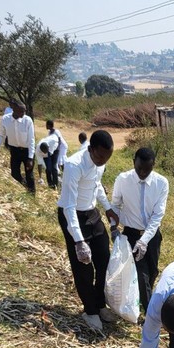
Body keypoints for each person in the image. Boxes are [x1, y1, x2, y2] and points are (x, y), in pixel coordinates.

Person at [57, 130, 120, 332]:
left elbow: (97, 184)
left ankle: (100, 304)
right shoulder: (74, 165)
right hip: (72, 214)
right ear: (91, 149)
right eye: (100, 157)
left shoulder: (99, 162)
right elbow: (68, 206)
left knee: (104, 260)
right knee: (83, 266)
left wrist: (107, 208)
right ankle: (90, 311)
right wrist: (78, 240)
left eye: (107, 158)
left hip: (91, 212)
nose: (103, 162)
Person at [110, 148, 169, 312]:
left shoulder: (161, 183)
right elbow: (115, 205)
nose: (142, 173)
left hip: (152, 235)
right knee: (141, 275)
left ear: (153, 165)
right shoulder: (123, 179)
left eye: (147, 169)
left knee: (152, 271)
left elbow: (157, 216)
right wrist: (113, 227)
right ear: (133, 162)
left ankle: (143, 299)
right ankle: (150, 314)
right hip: (131, 233)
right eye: (139, 168)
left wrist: (144, 241)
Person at [0, 101, 35, 194]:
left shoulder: (28, 120)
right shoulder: (5, 120)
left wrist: (30, 158)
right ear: (14, 110)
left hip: (27, 151)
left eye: (24, 111)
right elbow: (1, 135)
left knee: (29, 175)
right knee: (14, 174)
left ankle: (32, 195)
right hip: (15, 151)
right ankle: (26, 186)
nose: (23, 113)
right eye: (21, 111)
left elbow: (31, 140)